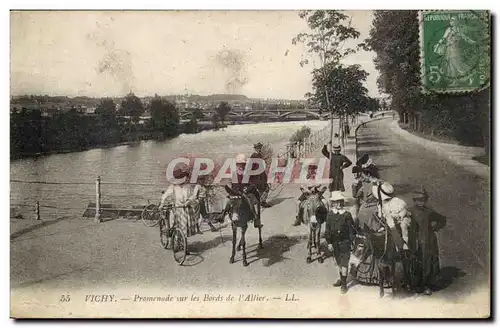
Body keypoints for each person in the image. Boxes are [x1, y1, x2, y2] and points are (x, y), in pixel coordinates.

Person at [408, 186, 447, 295]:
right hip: (414, 241)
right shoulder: (409, 211)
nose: (421, 202)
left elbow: (442, 220)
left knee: (428, 263)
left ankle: (427, 285)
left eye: (423, 199)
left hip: (428, 241)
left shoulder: (429, 212)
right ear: (414, 200)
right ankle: (415, 284)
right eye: (419, 200)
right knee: (415, 262)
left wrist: (434, 228)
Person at [325, 191, 356, 294]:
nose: (338, 204)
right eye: (335, 202)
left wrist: (351, 242)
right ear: (333, 203)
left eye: (340, 202)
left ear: (342, 202)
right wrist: (329, 243)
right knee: (338, 262)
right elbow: (327, 230)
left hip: (345, 242)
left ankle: (343, 284)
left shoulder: (346, 215)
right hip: (334, 243)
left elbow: (351, 230)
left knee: (344, 264)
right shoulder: (330, 215)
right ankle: (341, 279)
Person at [225, 153, 263, 229]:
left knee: (250, 202)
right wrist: (233, 191)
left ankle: (255, 218)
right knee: (228, 201)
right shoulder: (234, 173)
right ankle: (223, 214)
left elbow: (253, 184)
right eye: (239, 164)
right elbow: (233, 185)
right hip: (237, 192)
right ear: (237, 165)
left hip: (246, 193)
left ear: (245, 165)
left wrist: (247, 188)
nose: (241, 166)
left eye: (243, 164)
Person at [162, 163, 199, 237]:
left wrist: (189, 201)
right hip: (177, 208)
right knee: (174, 223)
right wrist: (162, 203)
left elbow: (192, 196)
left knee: (185, 226)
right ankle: (173, 236)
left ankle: (183, 240)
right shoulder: (173, 187)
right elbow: (166, 195)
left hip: (186, 208)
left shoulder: (187, 187)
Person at [251, 142, 271, 208]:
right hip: (257, 177)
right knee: (265, 189)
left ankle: (260, 201)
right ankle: (261, 202)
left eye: (260, 148)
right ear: (255, 148)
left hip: (261, 176)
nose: (259, 149)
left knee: (264, 189)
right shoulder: (253, 156)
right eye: (258, 148)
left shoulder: (259, 155)